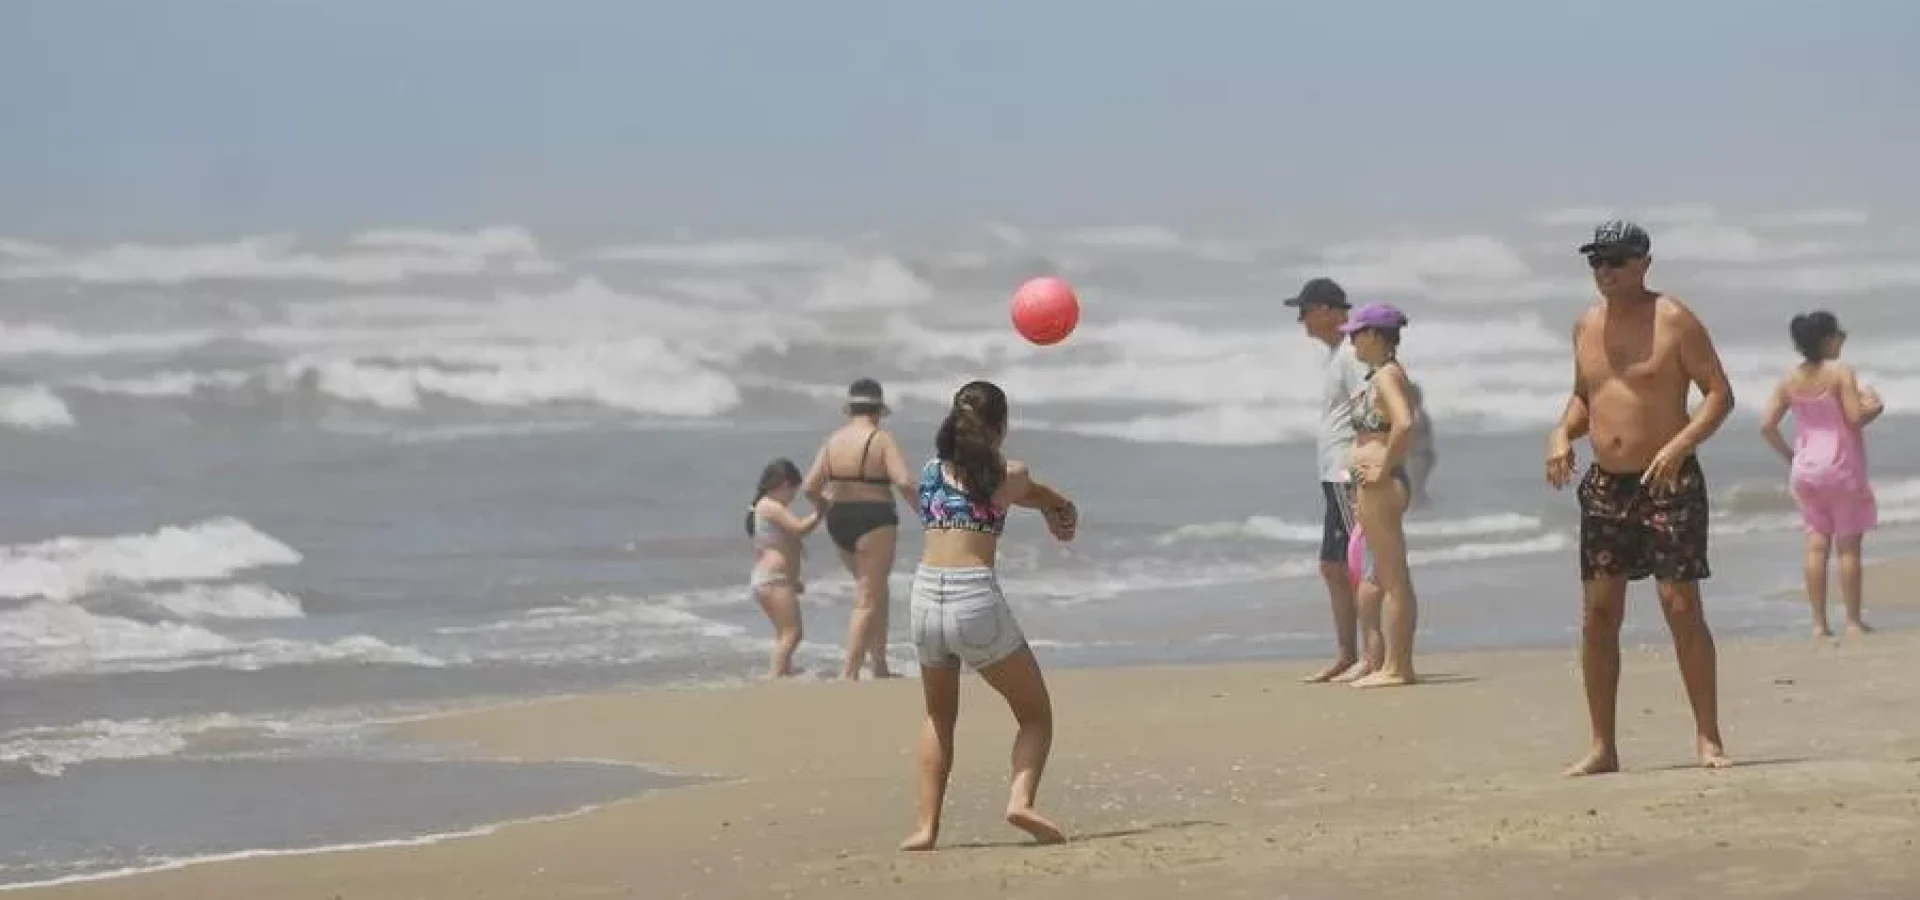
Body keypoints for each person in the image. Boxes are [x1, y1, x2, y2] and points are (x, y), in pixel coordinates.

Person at [1545, 220, 1735, 775]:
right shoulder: (1587, 324)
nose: (1604, 271)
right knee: (1599, 614)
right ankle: (1603, 747)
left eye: (1615, 260)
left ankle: (1709, 739)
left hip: (1667, 482)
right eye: (1596, 262)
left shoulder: (1674, 319)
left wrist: (1680, 445)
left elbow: (1719, 394)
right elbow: (1586, 397)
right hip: (1606, 485)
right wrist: (1560, 434)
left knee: (1680, 606)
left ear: (1643, 263)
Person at [900, 380, 1078, 852]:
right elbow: (1037, 494)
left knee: (938, 715)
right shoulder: (1009, 474)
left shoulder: (930, 471)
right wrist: (1061, 508)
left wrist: (1050, 506)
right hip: (972, 597)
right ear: (1000, 427)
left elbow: (1024, 496)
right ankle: (1020, 801)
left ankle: (925, 828)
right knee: (1035, 715)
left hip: (923, 595)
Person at [1284, 277, 1385, 683]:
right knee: (1333, 565)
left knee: (1356, 564)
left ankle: (1371, 656)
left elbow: (1372, 401)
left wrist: (1366, 461)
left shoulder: (1351, 353)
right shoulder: (1338, 353)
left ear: (1326, 311)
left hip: (1347, 471)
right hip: (1334, 473)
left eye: (1304, 311)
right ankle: (1348, 654)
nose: (1301, 321)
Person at [1758, 311, 1883, 638]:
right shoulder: (1840, 372)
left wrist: (1791, 456)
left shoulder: (1789, 378)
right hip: (1841, 466)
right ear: (1827, 341)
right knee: (1848, 547)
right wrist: (1875, 407)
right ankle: (1853, 621)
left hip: (1806, 469)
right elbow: (1854, 417)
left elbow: (1767, 425)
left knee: (1815, 544)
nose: (1843, 339)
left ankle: (1819, 624)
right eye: (1839, 335)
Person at [802, 378, 916, 680]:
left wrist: (822, 506)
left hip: (839, 519)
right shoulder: (881, 439)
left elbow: (809, 486)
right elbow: (904, 481)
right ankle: (849, 672)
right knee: (867, 597)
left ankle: (879, 664)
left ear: (850, 409)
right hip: (874, 518)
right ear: (878, 410)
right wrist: (927, 511)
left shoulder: (832, 441)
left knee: (875, 590)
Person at [1339, 302, 1423, 689]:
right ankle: (1391, 663)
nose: (1352, 342)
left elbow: (1404, 423)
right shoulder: (1380, 374)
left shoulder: (1388, 375)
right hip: (1374, 484)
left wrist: (1383, 467)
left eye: (1356, 334)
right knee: (1389, 575)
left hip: (1382, 486)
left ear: (1374, 335)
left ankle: (1397, 667)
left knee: (1393, 578)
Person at [745, 458, 822, 678]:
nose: (792, 497)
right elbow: (800, 528)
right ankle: (776, 676)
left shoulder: (766, 507)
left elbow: (785, 546)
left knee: (784, 633)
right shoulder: (770, 506)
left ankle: (784, 671)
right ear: (783, 485)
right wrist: (821, 511)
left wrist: (794, 579)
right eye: (792, 491)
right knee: (792, 633)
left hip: (773, 578)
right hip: (773, 579)